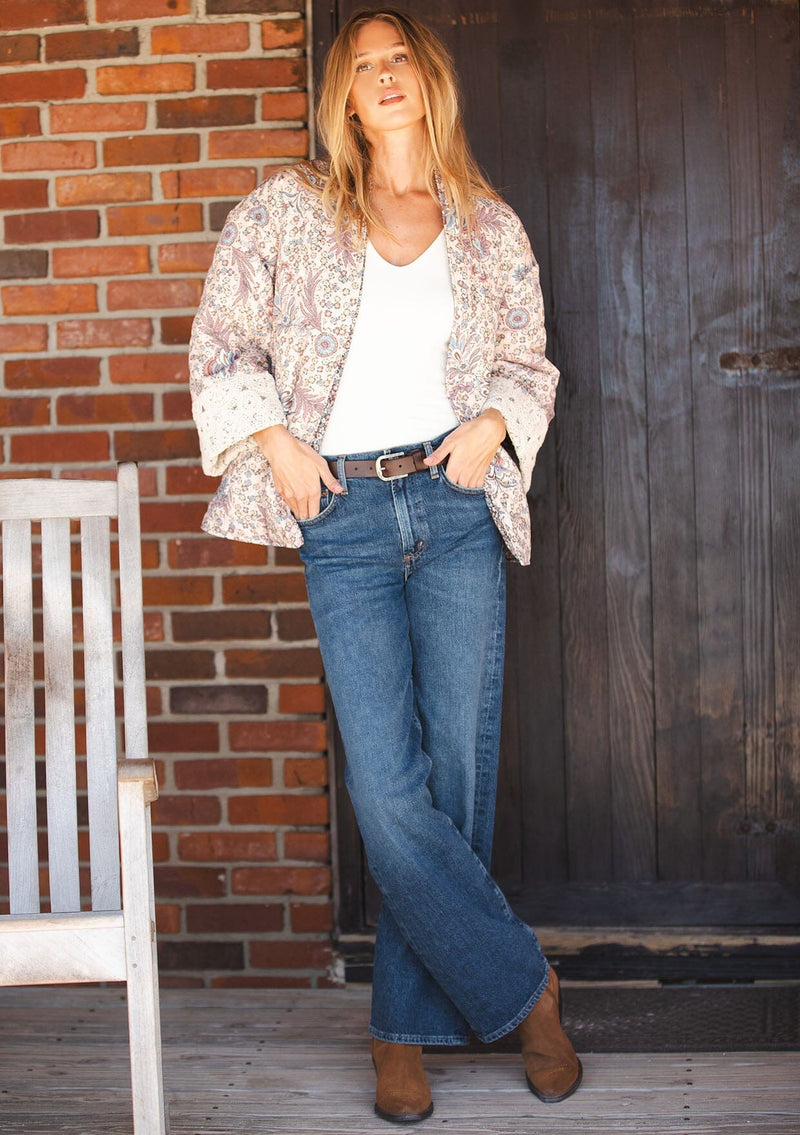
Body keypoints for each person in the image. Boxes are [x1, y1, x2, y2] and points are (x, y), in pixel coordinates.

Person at [190, 6, 581, 1123]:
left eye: (397, 57)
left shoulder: (486, 225)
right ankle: (527, 988)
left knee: (451, 781)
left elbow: (528, 360)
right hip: (346, 516)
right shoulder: (288, 209)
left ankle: (396, 1030)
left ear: (426, 80)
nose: (383, 77)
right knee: (386, 788)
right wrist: (275, 441)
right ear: (345, 101)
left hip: (453, 508)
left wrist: (492, 425)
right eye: (361, 67)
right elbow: (223, 338)